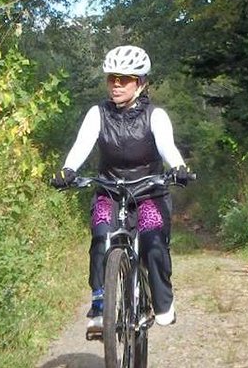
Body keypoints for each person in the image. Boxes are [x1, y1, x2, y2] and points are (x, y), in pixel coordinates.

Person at [50, 45, 191, 331]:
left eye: (124, 79)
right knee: (101, 237)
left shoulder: (155, 115)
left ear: (140, 83)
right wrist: (68, 170)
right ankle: (100, 304)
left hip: (149, 191)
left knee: (152, 243)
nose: (116, 84)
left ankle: (162, 302)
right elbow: (82, 145)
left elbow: (167, 146)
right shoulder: (97, 114)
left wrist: (178, 167)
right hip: (109, 190)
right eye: (111, 78)